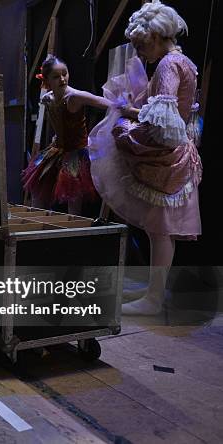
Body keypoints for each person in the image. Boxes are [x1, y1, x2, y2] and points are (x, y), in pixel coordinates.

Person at [89, 0, 202, 315]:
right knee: (160, 228)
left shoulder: (167, 64)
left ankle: (153, 298)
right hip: (175, 153)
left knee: (160, 228)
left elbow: (162, 121)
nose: (140, 53)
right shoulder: (185, 62)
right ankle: (155, 293)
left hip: (166, 156)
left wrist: (127, 114)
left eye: (142, 45)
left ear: (156, 37)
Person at [22, 55, 111, 215]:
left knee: (73, 196)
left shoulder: (74, 97)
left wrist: (131, 110)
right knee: (37, 189)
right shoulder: (47, 99)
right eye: (56, 76)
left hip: (76, 152)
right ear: (47, 80)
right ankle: (37, 229)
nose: (62, 79)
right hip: (57, 149)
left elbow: (102, 102)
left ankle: (72, 233)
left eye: (65, 73)